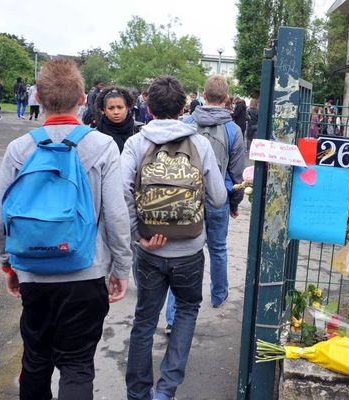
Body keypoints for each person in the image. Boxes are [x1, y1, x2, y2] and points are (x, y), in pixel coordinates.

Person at [0, 59, 133, 400]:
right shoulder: (101, 147)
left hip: (34, 274)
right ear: (83, 98)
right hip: (86, 271)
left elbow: (0, 219)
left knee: (35, 361)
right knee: (77, 365)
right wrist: (121, 268)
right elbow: (116, 215)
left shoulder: (19, 149)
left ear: (37, 96)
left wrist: (8, 263)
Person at [122, 75, 226, 400]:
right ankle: (165, 390)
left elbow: (120, 191)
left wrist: (139, 234)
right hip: (190, 250)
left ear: (148, 108)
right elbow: (219, 199)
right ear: (184, 108)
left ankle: (138, 393)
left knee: (144, 318)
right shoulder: (200, 144)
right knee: (186, 310)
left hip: (150, 249)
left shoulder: (137, 143)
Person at [163, 75, 245, 334]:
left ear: (204, 95)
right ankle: (219, 294)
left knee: (181, 252)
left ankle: (172, 316)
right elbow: (237, 172)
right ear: (226, 97)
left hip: (186, 197)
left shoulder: (186, 123)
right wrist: (234, 202)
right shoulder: (233, 130)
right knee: (218, 249)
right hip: (217, 197)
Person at [95, 86, 138, 153]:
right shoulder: (96, 135)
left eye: (120, 107)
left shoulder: (138, 131)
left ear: (127, 108)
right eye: (111, 108)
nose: (116, 112)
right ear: (104, 110)